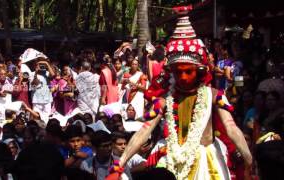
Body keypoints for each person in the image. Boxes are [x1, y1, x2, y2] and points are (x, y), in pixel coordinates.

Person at [107, 6, 252, 180]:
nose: (182, 77)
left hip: (206, 166)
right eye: (177, 71)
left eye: (188, 71)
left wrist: (249, 160)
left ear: (199, 70)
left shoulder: (214, 96)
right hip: (171, 162)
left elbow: (231, 128)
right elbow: (143, 132)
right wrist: (120, 164)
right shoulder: (164, 100)